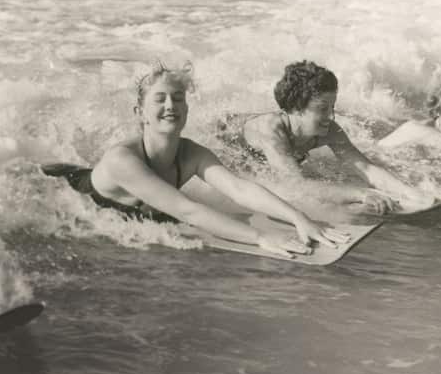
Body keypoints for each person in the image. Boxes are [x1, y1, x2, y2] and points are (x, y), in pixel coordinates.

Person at [43, 62, 348, 259]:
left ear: (187, 110)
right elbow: (189, 209)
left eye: (178, 99)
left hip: (135, 210)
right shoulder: (122, 160)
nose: (170, 106)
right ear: (140, 113)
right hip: (58, 190)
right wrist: (260, 237)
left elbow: (239, 189)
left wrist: (299, 218)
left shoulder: (190, 153)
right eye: (159, 99)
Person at [217, 60, 429, 213]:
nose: (330, 115)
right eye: (322, 108)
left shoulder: (328, 129)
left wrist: (411, 194)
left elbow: (366, 168)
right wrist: (359, 194)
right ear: (296, 108)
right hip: (225, 144)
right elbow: (296, 185)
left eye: (332, 107)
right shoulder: (270, 131)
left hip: (277, 155)